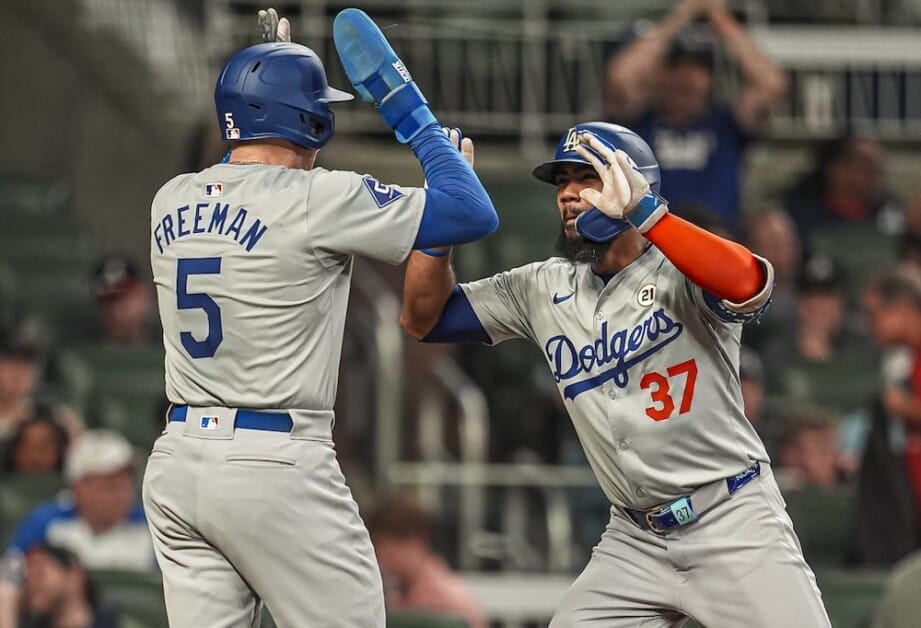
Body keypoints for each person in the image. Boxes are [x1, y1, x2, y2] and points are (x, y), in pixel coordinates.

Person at [141, 8, 497, 628]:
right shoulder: (317, 198)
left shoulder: (169, 198)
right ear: (310, 121)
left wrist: (271, 77)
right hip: (274, 462)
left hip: (177, 462)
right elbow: (471, 210)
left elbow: (239, 177)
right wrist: (409, 110)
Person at [400, 121, 829, 626]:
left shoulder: (683, 270)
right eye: (561, 181)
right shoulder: (542, 287)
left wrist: (649, 215)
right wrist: (439, 227)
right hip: (634, 539)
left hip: (730, 517)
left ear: (632, 184)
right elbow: (421, 318)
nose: (567, 194)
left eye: (586, 177)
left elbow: (749, 280)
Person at [603, 0, 787, 234]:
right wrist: (682, 14)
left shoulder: (725, 125)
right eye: (677, 68)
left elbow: (772, 85)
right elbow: (620, 80)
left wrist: (719, 17)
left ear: (710, 80)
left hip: (715, 244)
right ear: (660, 75)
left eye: (698, 70)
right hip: (650, 244)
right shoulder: (638, 124)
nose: (688, 79)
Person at [3, 429, 152, 572]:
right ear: (79, 488)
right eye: (110, 486)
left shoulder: (151, 526)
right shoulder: (45, 523)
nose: (122, 494)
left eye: (126, 483)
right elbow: (10, 574)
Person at [367, 492, 487, 628]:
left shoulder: (449, 602)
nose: (379, 554)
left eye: (383, 544)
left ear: (416, 541)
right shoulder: (395, 592)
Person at [784, 133, 903, 248]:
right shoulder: (800, 215)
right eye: (865, 166)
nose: (876, 174)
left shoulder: (892, 210)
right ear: (837, 170)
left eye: (878, 166)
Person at [17, 544, 119, 628]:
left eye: (39, 574)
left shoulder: (117, 623)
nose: (31, 584)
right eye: (27, 579)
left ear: (74, 576)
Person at [88, 254, 158, 346]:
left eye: (125, 299)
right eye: (109, 302)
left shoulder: (172, 342)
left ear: (145, 294)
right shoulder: (81, 353)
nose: (117, 312)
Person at [2, 415, 69, 475]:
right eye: (26, 450)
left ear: (60, 452)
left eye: (43, 450)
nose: (34, 458)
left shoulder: (72, 486)